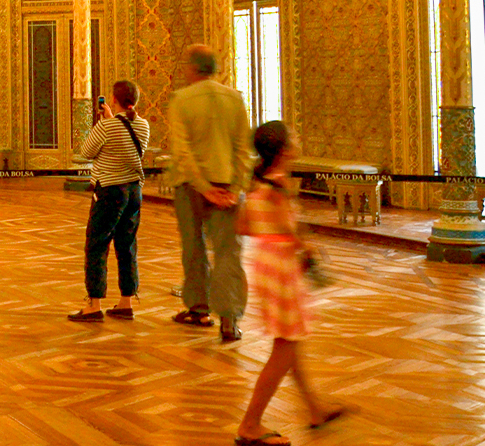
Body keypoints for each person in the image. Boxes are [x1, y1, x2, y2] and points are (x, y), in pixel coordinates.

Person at [234, 121, 348, 445]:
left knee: (289, 342)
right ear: (284, 150)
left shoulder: (256, 183)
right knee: (284, 348)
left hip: (264, 261)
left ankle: (315, 409)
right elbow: (290, 228)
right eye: (293, 137)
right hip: (282, 266)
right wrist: (307, 249)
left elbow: (242, 227)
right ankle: (250, 424)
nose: (297, 139)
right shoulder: (278, 184)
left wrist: (269, 232)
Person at [165, 44, 253, 341]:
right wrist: (235, 189)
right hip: (228, 187)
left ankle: (199, 309)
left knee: (194, 248)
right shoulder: (235, 99)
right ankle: (229, 319)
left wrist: (203, 187)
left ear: (192, 68)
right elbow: (243, 149)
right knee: (229, 252)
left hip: (191, 187)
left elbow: (182, 151)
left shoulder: (181, 99)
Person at [68, 80, 150, 322]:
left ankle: (94, 305)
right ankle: (126, 302)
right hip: (133, 191)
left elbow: (86, 152)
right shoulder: (143, 125)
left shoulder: (106, 126)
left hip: (110, 192)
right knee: (127, 245)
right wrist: (112, 120)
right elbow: (127, 144)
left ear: (114, 100)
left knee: (97, 245)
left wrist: (105, 122)